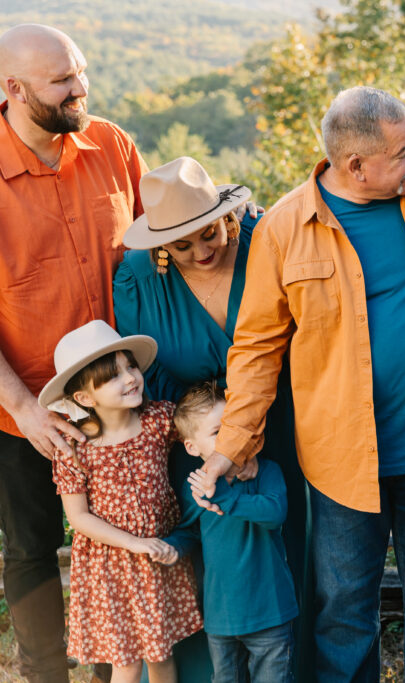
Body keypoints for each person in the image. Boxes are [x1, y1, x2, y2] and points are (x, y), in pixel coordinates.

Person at [192, 86, 405, 682]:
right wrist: (229, 446)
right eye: (403, 152)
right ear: (355, 166)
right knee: (344, 611)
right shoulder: (285, 228)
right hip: (343, 459)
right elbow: (257, 347)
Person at [113, 156, 308, 680]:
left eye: (212, 231)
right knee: (214, 558)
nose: (204, 251)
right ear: (159, 248)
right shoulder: (136, 280)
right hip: (197, 440)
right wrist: (214, 436)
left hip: (284, 426)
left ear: (229, 214)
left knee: (290, 546)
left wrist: (248, 432)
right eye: (183, 245)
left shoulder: (267, 237)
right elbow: (148, 374)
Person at [0, 23, 147, 683]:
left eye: (81, 70)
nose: (80, 87)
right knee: (32, 547)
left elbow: (155, 249)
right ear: (13, 88)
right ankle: (47, 675)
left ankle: (124, 669)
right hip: (24, 407)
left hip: (122, 395)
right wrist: (25, 407)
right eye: (62, 80)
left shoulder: (112, 143)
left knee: (125, 536)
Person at [40, 321, 202, 683]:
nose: (130, 378)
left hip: (157, 559)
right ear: (85, 397)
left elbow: (199, 432)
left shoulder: (158, 420)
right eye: (112, 376)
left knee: (161, 656)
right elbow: (78, 517)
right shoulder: (75, 450)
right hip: (110, 567)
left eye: (130, 367)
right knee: (126, 663)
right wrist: (133, 542)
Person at [164, 382, 298, 683]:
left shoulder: (267, 472)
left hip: (270, 612)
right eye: (216, 432)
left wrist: (226, 497)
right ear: (192, 447)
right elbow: (190, 531)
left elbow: (275, 514)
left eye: (232, 427)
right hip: (221, 615)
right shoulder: (195, 487)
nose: (228, 439)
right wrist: (171, 546)